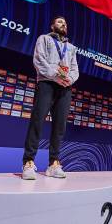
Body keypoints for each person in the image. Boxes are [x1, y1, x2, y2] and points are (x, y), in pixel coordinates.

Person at [22, 16, 79, 180]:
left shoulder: (71, 47)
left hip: (65, 87)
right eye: (60, 22)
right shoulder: (44, 39)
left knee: (59, 126)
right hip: (47, 83)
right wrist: (55, 75)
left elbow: (75, 69)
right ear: (53, 26)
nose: (64, 24)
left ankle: (53, 163)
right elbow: (39, 60)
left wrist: (70, 79)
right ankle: (28, 162)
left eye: (66, 23)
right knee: (37, 121)